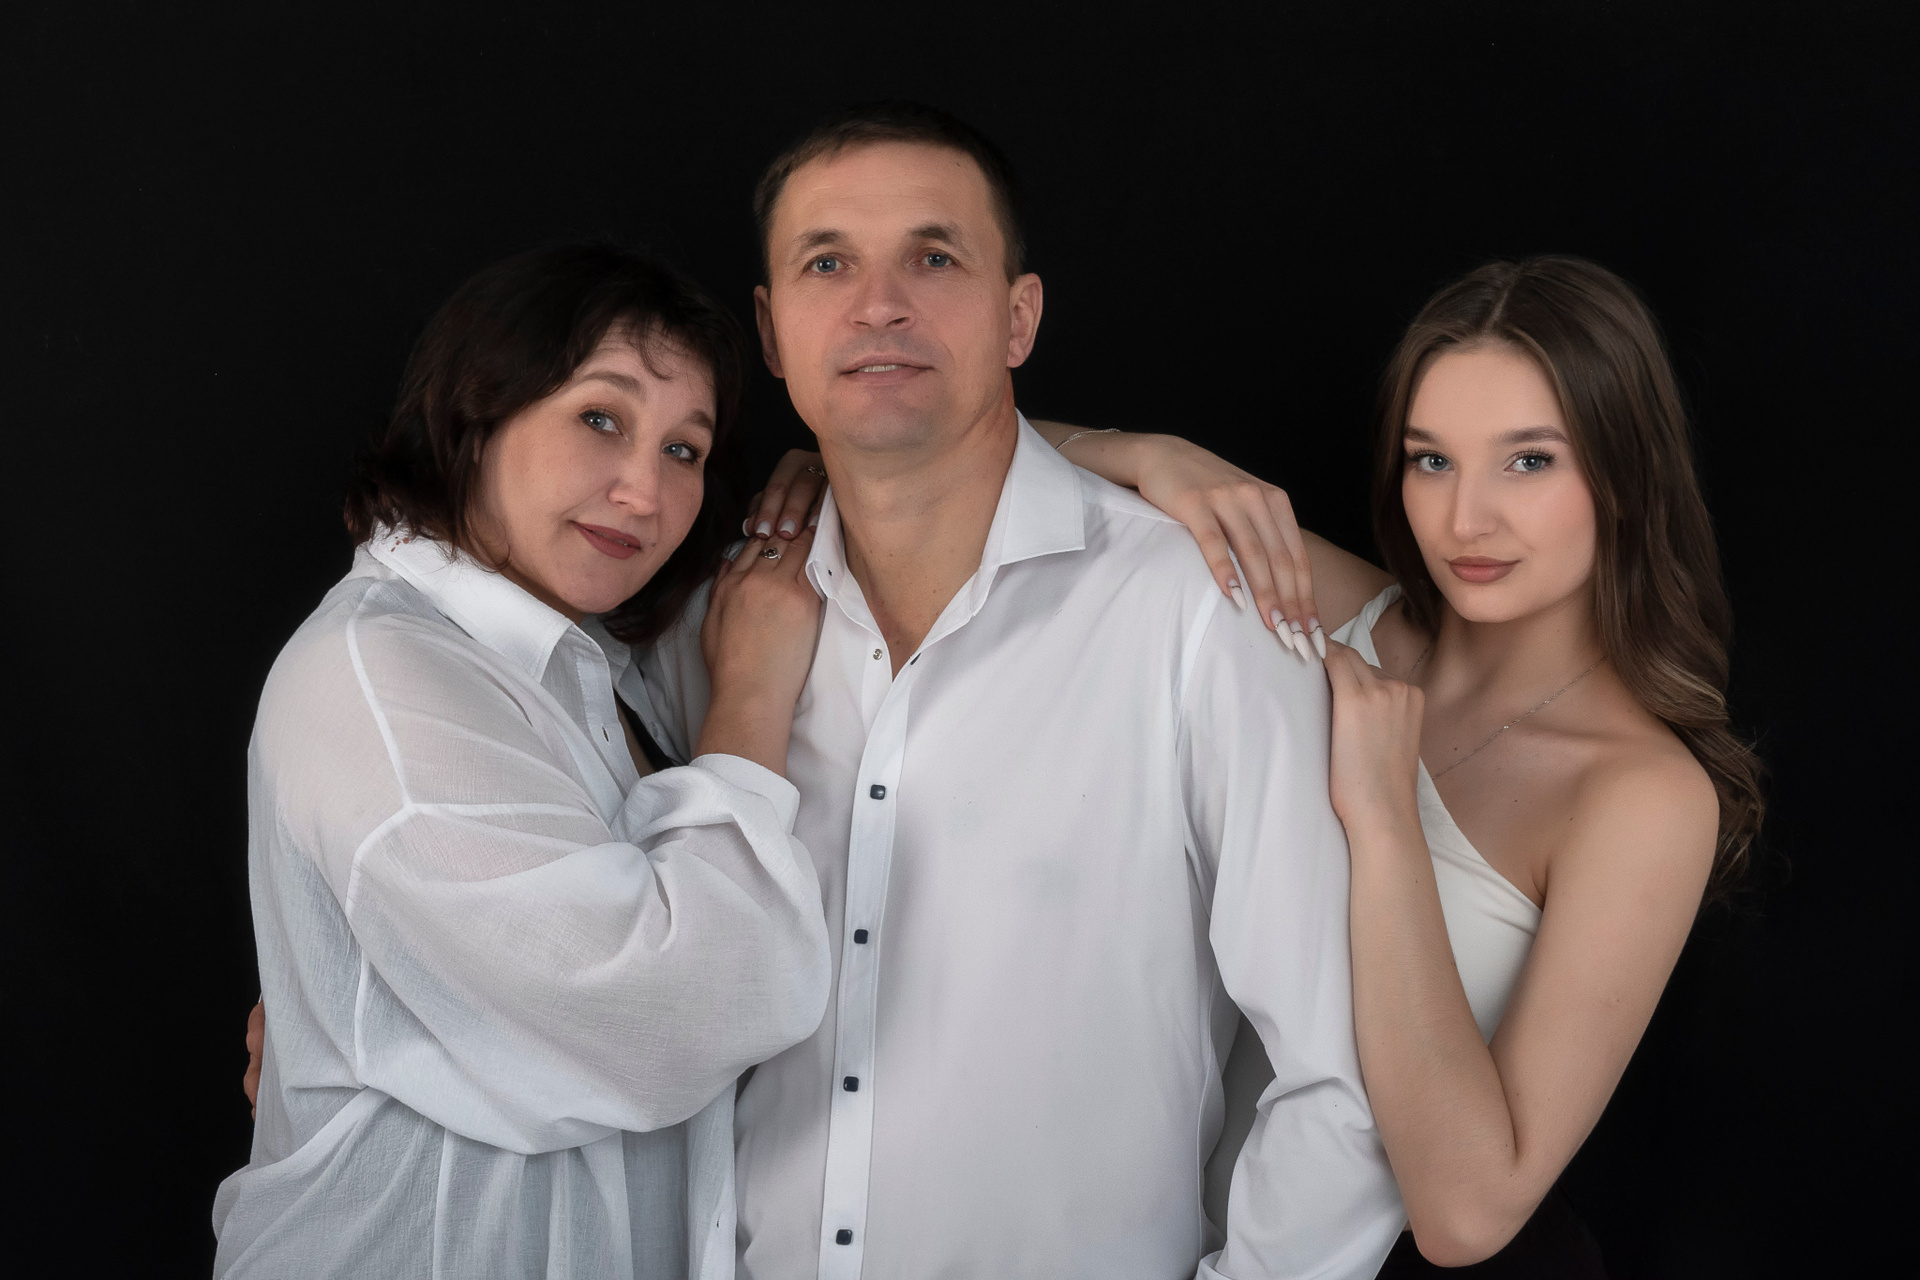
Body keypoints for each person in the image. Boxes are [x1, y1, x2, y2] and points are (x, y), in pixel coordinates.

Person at [633, 101, 1404, 1279]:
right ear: (773, 331)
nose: (878, 303)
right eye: (827, 262)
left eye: (933, 258)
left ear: (1019, 316)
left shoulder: (1195, 612)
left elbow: (1342, 1072)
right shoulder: (706, 630)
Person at [959, 256, 1760, 1275]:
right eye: (1433, 460)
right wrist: (1160, 457)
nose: (1466, 519)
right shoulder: (1339, 613)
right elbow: (975, 459)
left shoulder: (1640, 794)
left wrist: (1383, 820)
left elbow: (1468, 1213)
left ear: (1625, 473)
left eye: (1528, 461)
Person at [215, 243, 833, 1280]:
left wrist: (1100, 449)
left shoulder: (592, 662)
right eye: (601, 418)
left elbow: (923, 477)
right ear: (476, 413)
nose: (644, 490)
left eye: (684, 449)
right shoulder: (380, 675)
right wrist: (752, 700)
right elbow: (677, 1009)